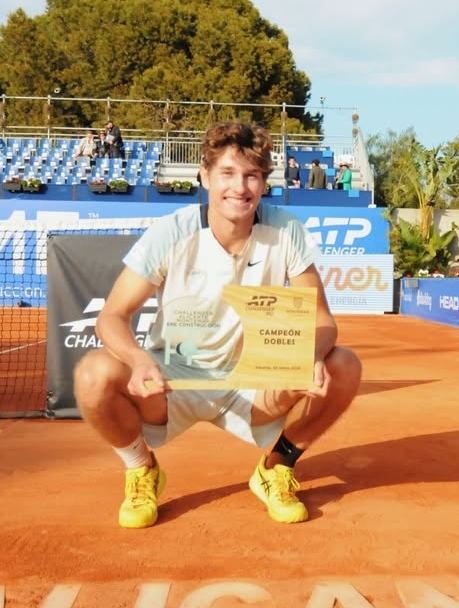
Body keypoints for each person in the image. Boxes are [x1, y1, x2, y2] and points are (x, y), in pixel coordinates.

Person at [72, 121, 362, 529]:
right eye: (227, 173)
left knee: (344, 365)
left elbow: (321, 319)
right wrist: (138, 360)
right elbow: (112, 316)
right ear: (205, 176)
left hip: (253, 382)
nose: (239, 187)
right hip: (173, 383)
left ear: (263, 183)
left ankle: (276, 467)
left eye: (252, 176)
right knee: (93, 375)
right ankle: (141, 470)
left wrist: (311, 355)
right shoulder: (171, 232)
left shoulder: (286, 230)